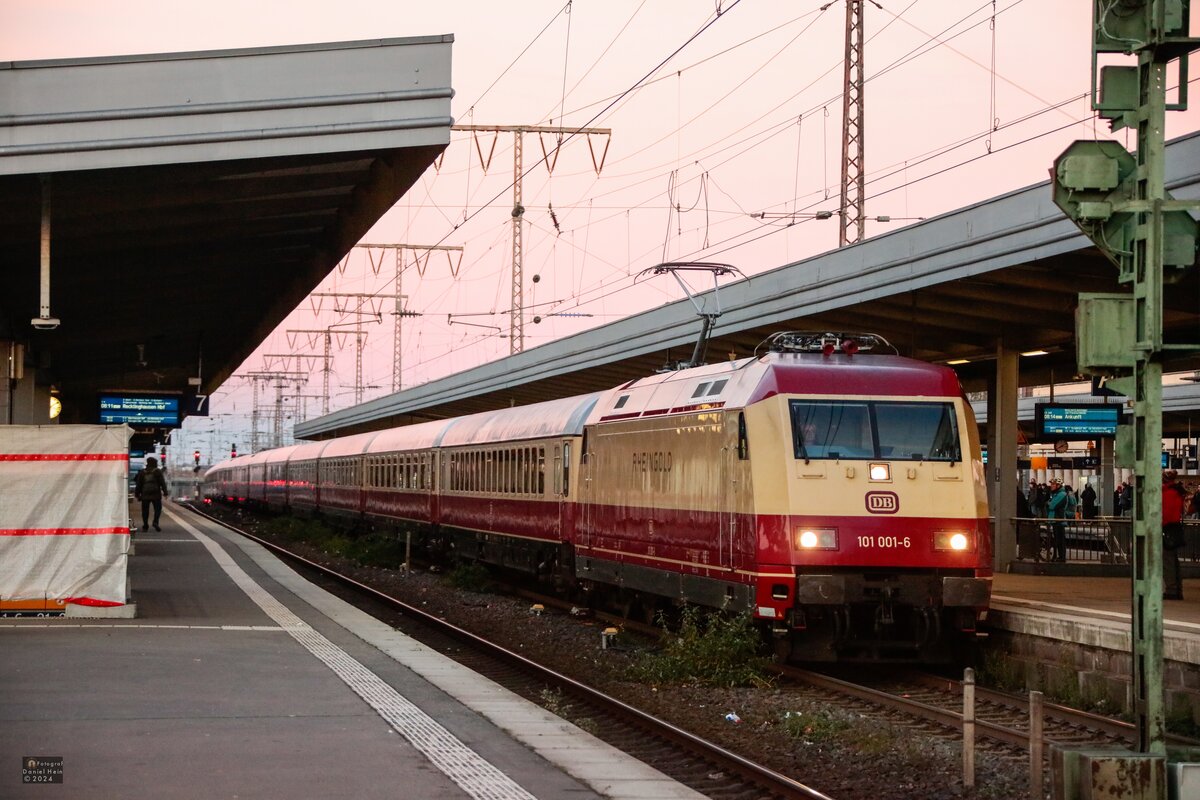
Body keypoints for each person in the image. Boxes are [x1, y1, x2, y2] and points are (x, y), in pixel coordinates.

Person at [1163, 470, 1187, 601]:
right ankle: (1178, 589)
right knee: (1174, 560)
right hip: (1175, 529)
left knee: (1168, 561)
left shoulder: (1168, 493)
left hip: (1167, 529)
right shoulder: (1177, 492)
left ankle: (1171, 589)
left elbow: (1165, 514)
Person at [134, 456, 169, 532]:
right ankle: (155, 522)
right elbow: (162, 483)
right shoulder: (157, 471)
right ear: (155, 463)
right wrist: (165, 493)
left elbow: (139, 484)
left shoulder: (142, 472)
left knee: (145, 511)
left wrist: (137, 494)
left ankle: (145, 526)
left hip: (145, 493)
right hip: (156, 493)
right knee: (158, 509)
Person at [1045, 478, 1069, 562]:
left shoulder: (1062, 494)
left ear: (1058, 485)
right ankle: (1057, 556)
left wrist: (1049, 503)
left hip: (1059, 520)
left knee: (1060, 540)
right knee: (1057, 540)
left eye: (1053, 484)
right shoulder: (1055, 494)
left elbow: (1052, 505)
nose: (1051, 486)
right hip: (1054, 520)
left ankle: (1062, 557)